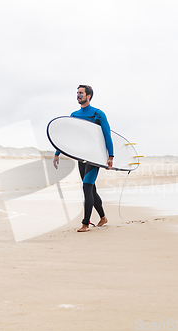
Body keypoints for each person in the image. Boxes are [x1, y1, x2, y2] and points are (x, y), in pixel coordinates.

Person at [53, 85, 114, 232]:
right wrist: (57, 153)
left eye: (81, 93)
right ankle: (103, 217)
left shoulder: (98, 114)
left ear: (89, 96)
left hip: (95, 158)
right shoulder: (74, 115)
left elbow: (107, 135)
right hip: (81, 157)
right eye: (77, 93)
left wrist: (110, 156)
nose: (78, 96)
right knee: (91, 189)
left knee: (86, 187)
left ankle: (85, 223)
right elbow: (68, 136)